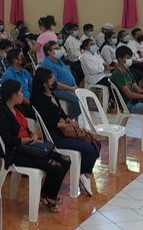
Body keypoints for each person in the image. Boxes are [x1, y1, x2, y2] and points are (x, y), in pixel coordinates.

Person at [0, 79, 70, 212]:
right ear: (12, 95)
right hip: (16, 152)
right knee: (55, 167)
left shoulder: (17, 109)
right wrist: (28, 139)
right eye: (20, 92)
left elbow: (26, 128)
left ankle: (47, 195)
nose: (23, 94)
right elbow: (9, 140)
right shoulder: (1, 113)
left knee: (65, 160)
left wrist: (32, 135)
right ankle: (49, 199)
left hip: (29, 146)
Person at [30, 68, 98, 196]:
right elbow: (47, 122)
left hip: (62, 130)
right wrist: (63, 124)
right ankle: (83, 175)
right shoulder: (39, 99)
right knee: (88, 148)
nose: (54, 80)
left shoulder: (52, 94)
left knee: (94, 143)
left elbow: (61, 112)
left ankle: (84, 174)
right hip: (54, 136)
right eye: (51, 78)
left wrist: (69, 121)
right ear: (44, 83)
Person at [39, 41, 81, 119]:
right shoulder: (48, 64)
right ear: (49, 52)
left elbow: (68, 74)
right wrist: (71, 88)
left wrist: (74, 86)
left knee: (86, 98)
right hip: (59, 90)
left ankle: (77, 118)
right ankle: (72, 120)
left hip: (70, 87)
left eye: (59, 48)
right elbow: (54, 83)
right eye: (56, 49)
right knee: (78, 100)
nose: (59, 50)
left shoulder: (57, 60)